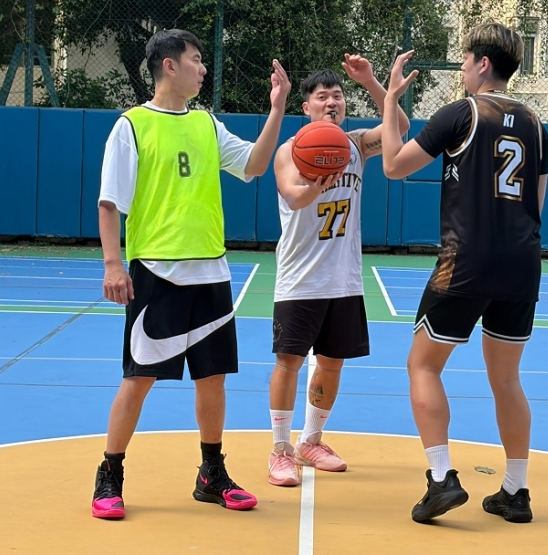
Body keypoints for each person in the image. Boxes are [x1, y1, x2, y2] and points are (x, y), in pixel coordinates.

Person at [91, 29, 291, 519]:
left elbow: (255, 164)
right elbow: (109, 202)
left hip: (211, 271)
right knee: (139, 378)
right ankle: (109, 474)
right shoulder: (132, 125)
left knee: (213, 378)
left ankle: (211, 474)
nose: (203, 69)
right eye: (197, 60)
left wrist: (277, 109)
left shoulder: (206, 124)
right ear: (169, 66)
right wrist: (113, 264)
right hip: (156, 271)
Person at [379, 23, 548, 524]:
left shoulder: (462, 113)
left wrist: (390, 100)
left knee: (423, 365)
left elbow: (393, 165)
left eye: (465, 59)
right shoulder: (536, 124)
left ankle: (440, 479)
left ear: (481, 63)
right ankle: (516, 490)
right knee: (507, 378)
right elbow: (536, 204)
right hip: (522, 262)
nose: (462, 69)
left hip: (468, 259)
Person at [266, 56, 410, 487]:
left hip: (344, 278)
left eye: (337, 96)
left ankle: (310, 441)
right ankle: (279, 449)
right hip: (300, 278)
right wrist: (317, 184)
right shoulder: (290, 151)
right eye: (322, 97)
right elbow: (293, 196)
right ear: (306, 107)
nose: (331, 102)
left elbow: (400, 128)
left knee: (332, 364)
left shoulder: (356, 145)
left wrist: (371, 82)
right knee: (289, 362)